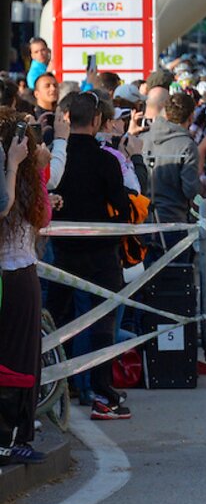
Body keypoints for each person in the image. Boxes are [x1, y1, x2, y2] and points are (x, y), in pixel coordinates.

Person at [47, 91, 133, 420]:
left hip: (62, 250)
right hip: (101, 251)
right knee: (103, 322)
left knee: (56, 318)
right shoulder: (106, 160)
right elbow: (121, 207)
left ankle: (54, 387)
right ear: (97, 121)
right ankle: (101, 392)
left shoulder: (58, 157)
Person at [0, 110, 45, 462]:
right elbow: (37, 216)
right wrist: (27, 168)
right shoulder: (17, 179)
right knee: (20, 358)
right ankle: (14, 437)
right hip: (17, 274)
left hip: (15, 272)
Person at [143, 93, 200, 228]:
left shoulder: (142, 139)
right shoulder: (187, 145)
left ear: (166, 114)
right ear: (191, 117)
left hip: (143, 219)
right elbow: (190, 190)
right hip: (174, 219)